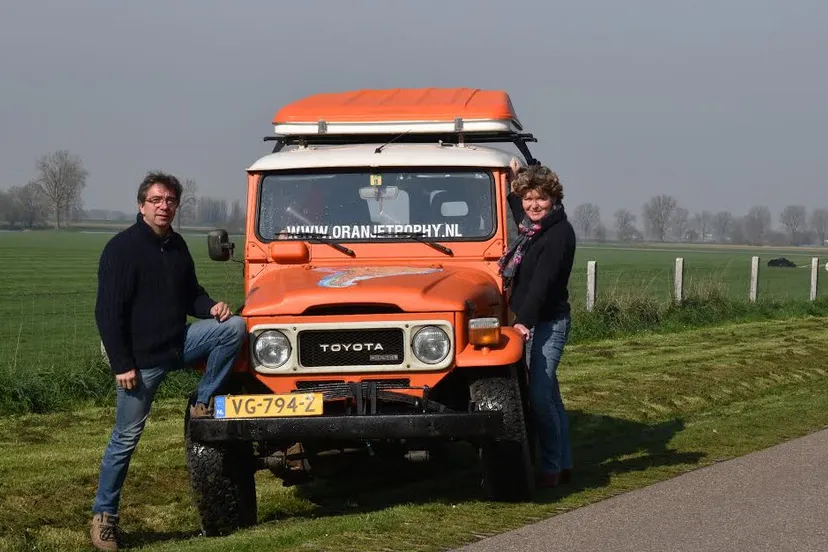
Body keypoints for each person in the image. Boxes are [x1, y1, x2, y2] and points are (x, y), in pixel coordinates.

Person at [90, 171, 246, 551]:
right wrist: (121, 364)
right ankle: (103, 517)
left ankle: (201, 401)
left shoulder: (176, 245)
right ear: (141, 205)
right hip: (140, 363)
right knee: (125, 440)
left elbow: (191, 294)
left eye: (170, 200)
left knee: (234, 328)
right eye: (157, 200)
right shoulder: (122, 249)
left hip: (180, 343)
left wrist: (211, 307)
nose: (164, 206)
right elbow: (107, 314)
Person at [499, 159, 577, 489]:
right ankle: (564, 462)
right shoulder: (534, 229)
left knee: (540, 395)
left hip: (548, 321)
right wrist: (517, 180)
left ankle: (550, 467)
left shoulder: (558, 234)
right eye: (529, 198)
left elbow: (543, 284)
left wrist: (524, 322)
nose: (533, 205)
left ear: (554, 199)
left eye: (541, 198)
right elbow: (518, 209)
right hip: (532, 319)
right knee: (551, 397)